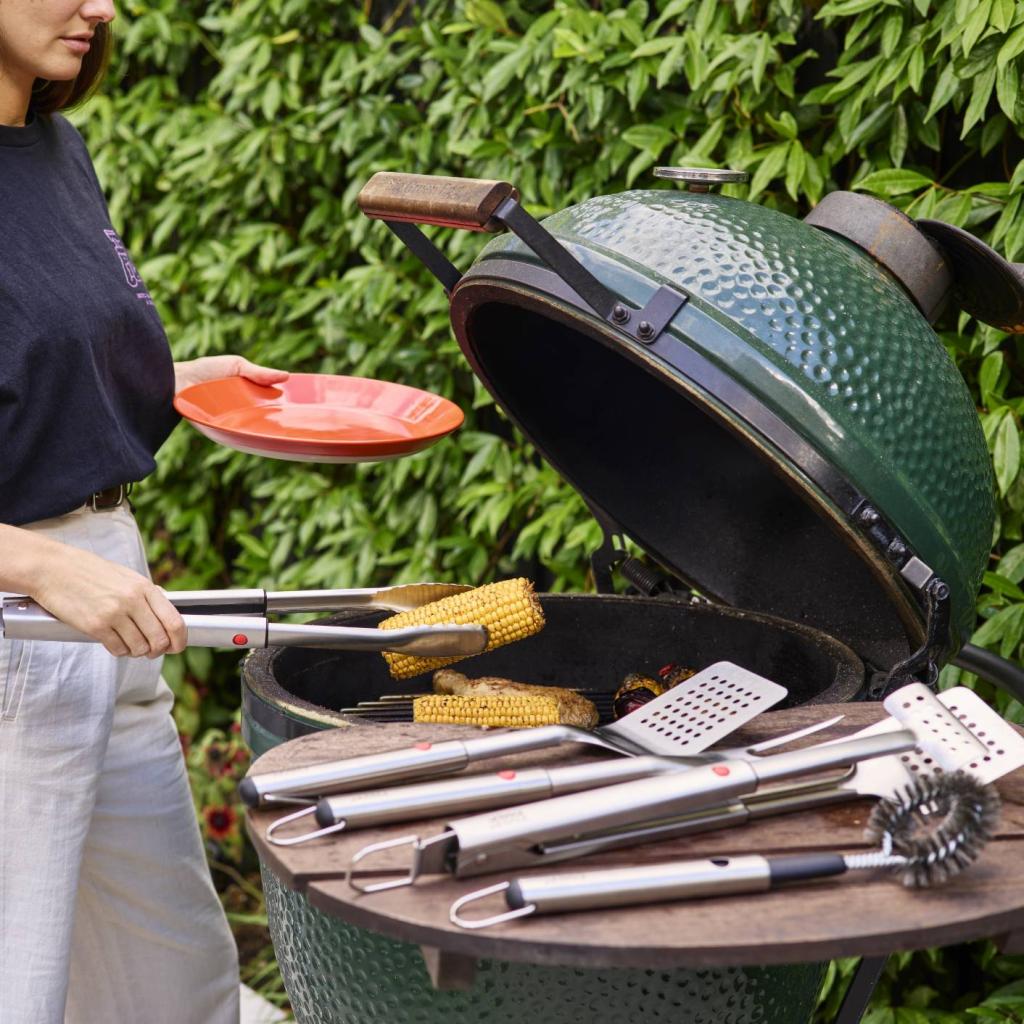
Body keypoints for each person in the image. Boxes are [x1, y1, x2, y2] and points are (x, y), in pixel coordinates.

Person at [0, 3, 286, 1020]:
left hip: (109, 605)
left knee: (178, 983)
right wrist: (41, 566)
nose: (104, 8)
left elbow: (36, 372)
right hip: (21, 619)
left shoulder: (55, 149)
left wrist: (181, 382)